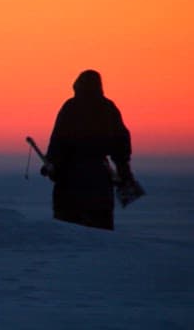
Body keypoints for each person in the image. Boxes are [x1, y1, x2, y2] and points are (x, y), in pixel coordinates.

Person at [41, 69, 134, 230]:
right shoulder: (108, 108)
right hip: (99, 180)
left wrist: (52, 164)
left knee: (68, 230)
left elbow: (58, 141)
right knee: (100, 230)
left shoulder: (71, 107)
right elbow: (121, 144)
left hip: (70, 180)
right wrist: (124, 171)